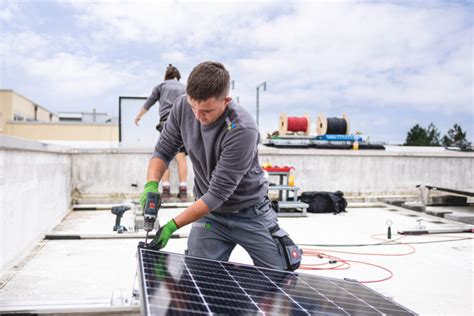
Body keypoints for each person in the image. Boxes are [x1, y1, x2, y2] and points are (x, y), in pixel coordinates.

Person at [140, 61, 301, 271]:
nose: (197, 116)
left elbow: (216, 194)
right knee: (199, 276)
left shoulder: (242, 129)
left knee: (280, 276)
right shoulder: (181, 107)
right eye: (193, 107)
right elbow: (163, 151)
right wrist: (151, 185)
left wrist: (172, 225)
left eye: (206, 110)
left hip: (250, 212)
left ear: (226, 101)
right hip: (210, 216)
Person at [135, 64, 188, 200]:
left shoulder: (161, 86)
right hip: (182, 123)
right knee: (181, 156)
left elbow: (149, 103)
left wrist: (139, 116)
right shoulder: (185, 88)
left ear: (166, 76)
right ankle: (183, 189)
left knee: (165, 156)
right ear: (178, 77)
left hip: (167, 123)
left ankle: (165, 189)